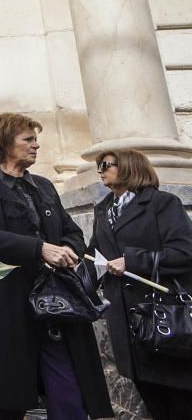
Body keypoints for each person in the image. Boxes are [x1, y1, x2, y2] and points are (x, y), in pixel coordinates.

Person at [0, 113, 111, 420]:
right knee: (7, 399)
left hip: (58, 306)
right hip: (10, 306)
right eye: (28, 139)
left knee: (68, 390)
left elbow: (71, 230)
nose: (37, 145)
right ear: (5, 144)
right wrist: (40, 249)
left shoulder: (43, 186)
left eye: (35, 139)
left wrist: (69, 250)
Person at [88, 149, 192, 419]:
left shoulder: (162, 203)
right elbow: (94, 255)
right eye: (98, 165)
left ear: (129, 167)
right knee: (153, 400)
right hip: (126, 323)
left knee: (181, 401)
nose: (100, 170)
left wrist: (131, 261)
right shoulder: (103, 210)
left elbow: (185, 251)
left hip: (164, 320)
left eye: (106, 165)